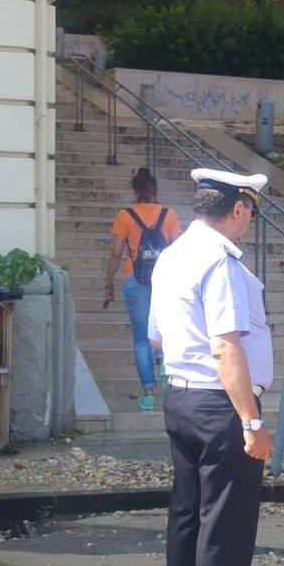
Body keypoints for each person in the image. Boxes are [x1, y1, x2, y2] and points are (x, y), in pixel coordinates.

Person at [148, 168, 277, 566]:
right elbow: (226, 347)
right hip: (220, 404)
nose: (248, 222)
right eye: (249, 213)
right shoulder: (220, 261)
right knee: (225, 523)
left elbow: (156, 336)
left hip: (181, 397)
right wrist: (251, 421)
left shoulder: (172, 255)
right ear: (238, 208)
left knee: (187, 517)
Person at [104, 168, 181, 412]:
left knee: (141, 338)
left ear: (135, 189)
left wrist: (108, 282)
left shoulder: (125, 216)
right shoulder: (169, 215)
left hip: (135, 279)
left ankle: (148, 395)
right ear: (155, 188)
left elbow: (116, 253)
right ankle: (167, 375)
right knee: (166, 330)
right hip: (166, 279)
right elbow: (178, 250)